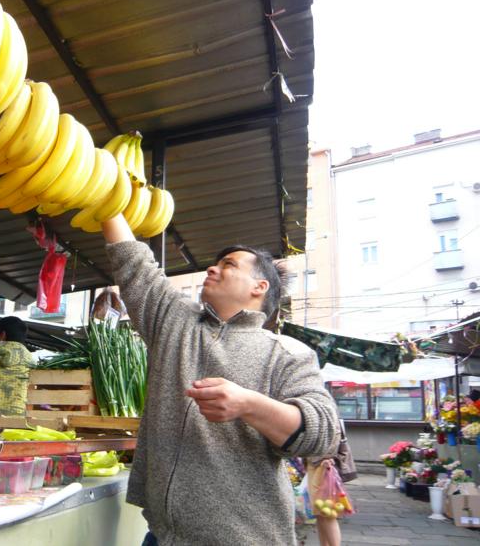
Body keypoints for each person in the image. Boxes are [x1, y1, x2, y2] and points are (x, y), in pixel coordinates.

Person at [101, 214, 340, 546]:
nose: (212, 269)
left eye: (228, 264)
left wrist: (249, 404)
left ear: (260, 287)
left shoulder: (286, 354)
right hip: (161, 535)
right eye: (214, 264)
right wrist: (107, 204)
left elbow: (323, 433)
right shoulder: (175, 321)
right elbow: (135, 265)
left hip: (244, 538)